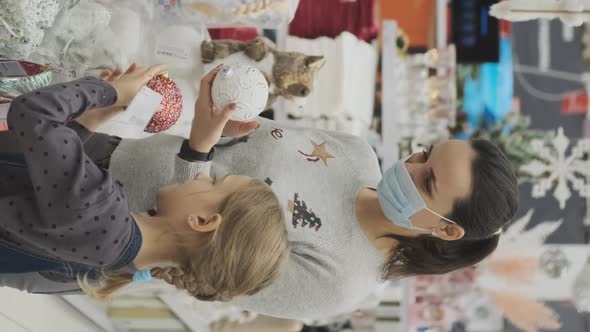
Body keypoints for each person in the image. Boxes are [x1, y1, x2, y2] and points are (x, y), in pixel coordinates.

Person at [2, 64, 519, 320]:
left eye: (427, 179)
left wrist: (199, 152)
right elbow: (233, 137)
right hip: (100, 153)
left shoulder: (340, 284)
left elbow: (202, 264)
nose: (410, 165)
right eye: (425, 152)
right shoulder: (357, 152)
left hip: (86, 236)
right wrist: (213, 124)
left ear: (446, 228)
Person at [0, 65, 289, 301]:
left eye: (213, 182)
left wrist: (108, 92)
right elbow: (49, 187)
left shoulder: (103, 213)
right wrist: (89, 122)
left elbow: (32, 112)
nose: (199, 173)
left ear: (202, 221)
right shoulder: (119, 258)